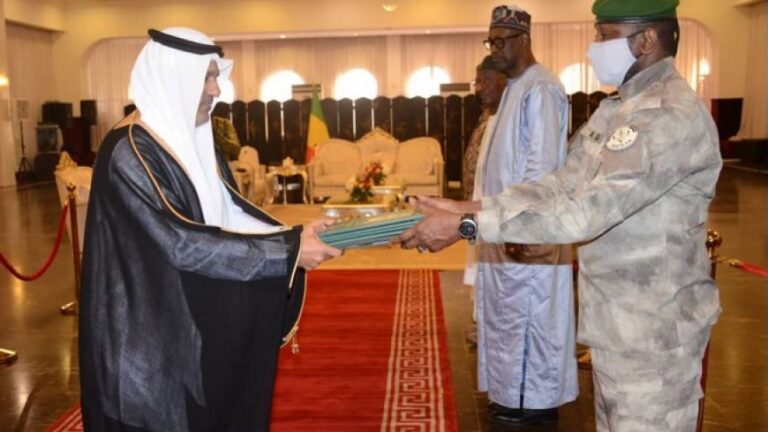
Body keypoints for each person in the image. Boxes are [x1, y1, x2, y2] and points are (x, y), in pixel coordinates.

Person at [398, 0, 722, 430]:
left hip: (655, 334)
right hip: (617, 326)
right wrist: (470, 207)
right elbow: (559, 186)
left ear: (646, 40)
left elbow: (586, 212)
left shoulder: (668, 116)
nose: (594, 47)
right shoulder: (618, 110)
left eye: (605, 35)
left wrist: (468, 226)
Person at [79, 27, 341, 432]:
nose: (217, 90)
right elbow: (180, 242)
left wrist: (298, 236)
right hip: (144, 332)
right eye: (207, 77)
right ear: (173, 78)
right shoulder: (129, 150)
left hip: (190, 319)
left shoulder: (192, 135)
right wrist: (288, 252)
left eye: (216, 77)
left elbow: (226, 213)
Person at [462, 5, 578, 425]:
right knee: (505, 319)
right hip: (502, 229)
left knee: (530, 318)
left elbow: (540, 169)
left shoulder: (541, 88)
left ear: (524, 40)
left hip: (525, 235)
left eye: (501, 41)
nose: (494, 50)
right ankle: (510, 396)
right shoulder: (513, 87)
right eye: (490, 41)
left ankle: (533, 403)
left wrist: (520, 227)